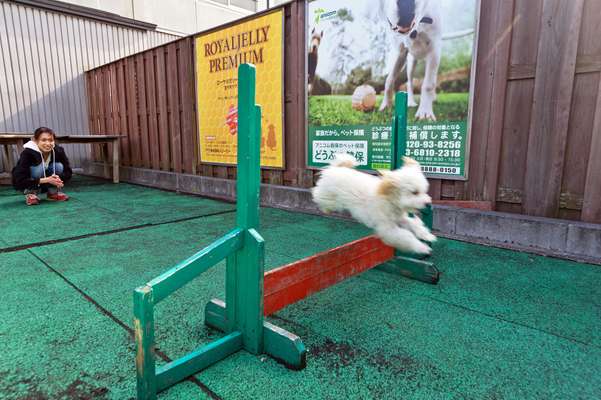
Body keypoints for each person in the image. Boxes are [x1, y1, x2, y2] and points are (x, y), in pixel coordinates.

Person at [12, 127, 72, 205]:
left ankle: (52, 193)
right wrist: (46, 180)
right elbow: (19, 179)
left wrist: (59, 180)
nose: (48, 143)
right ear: (35, 141)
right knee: (40, 168)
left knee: (59, 166)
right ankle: (31, 194)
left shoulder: (58, 151)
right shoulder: (27, 153)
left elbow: (68, 171)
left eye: (50, 140)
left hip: (46, 179)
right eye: (43, 140)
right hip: (33, 180)